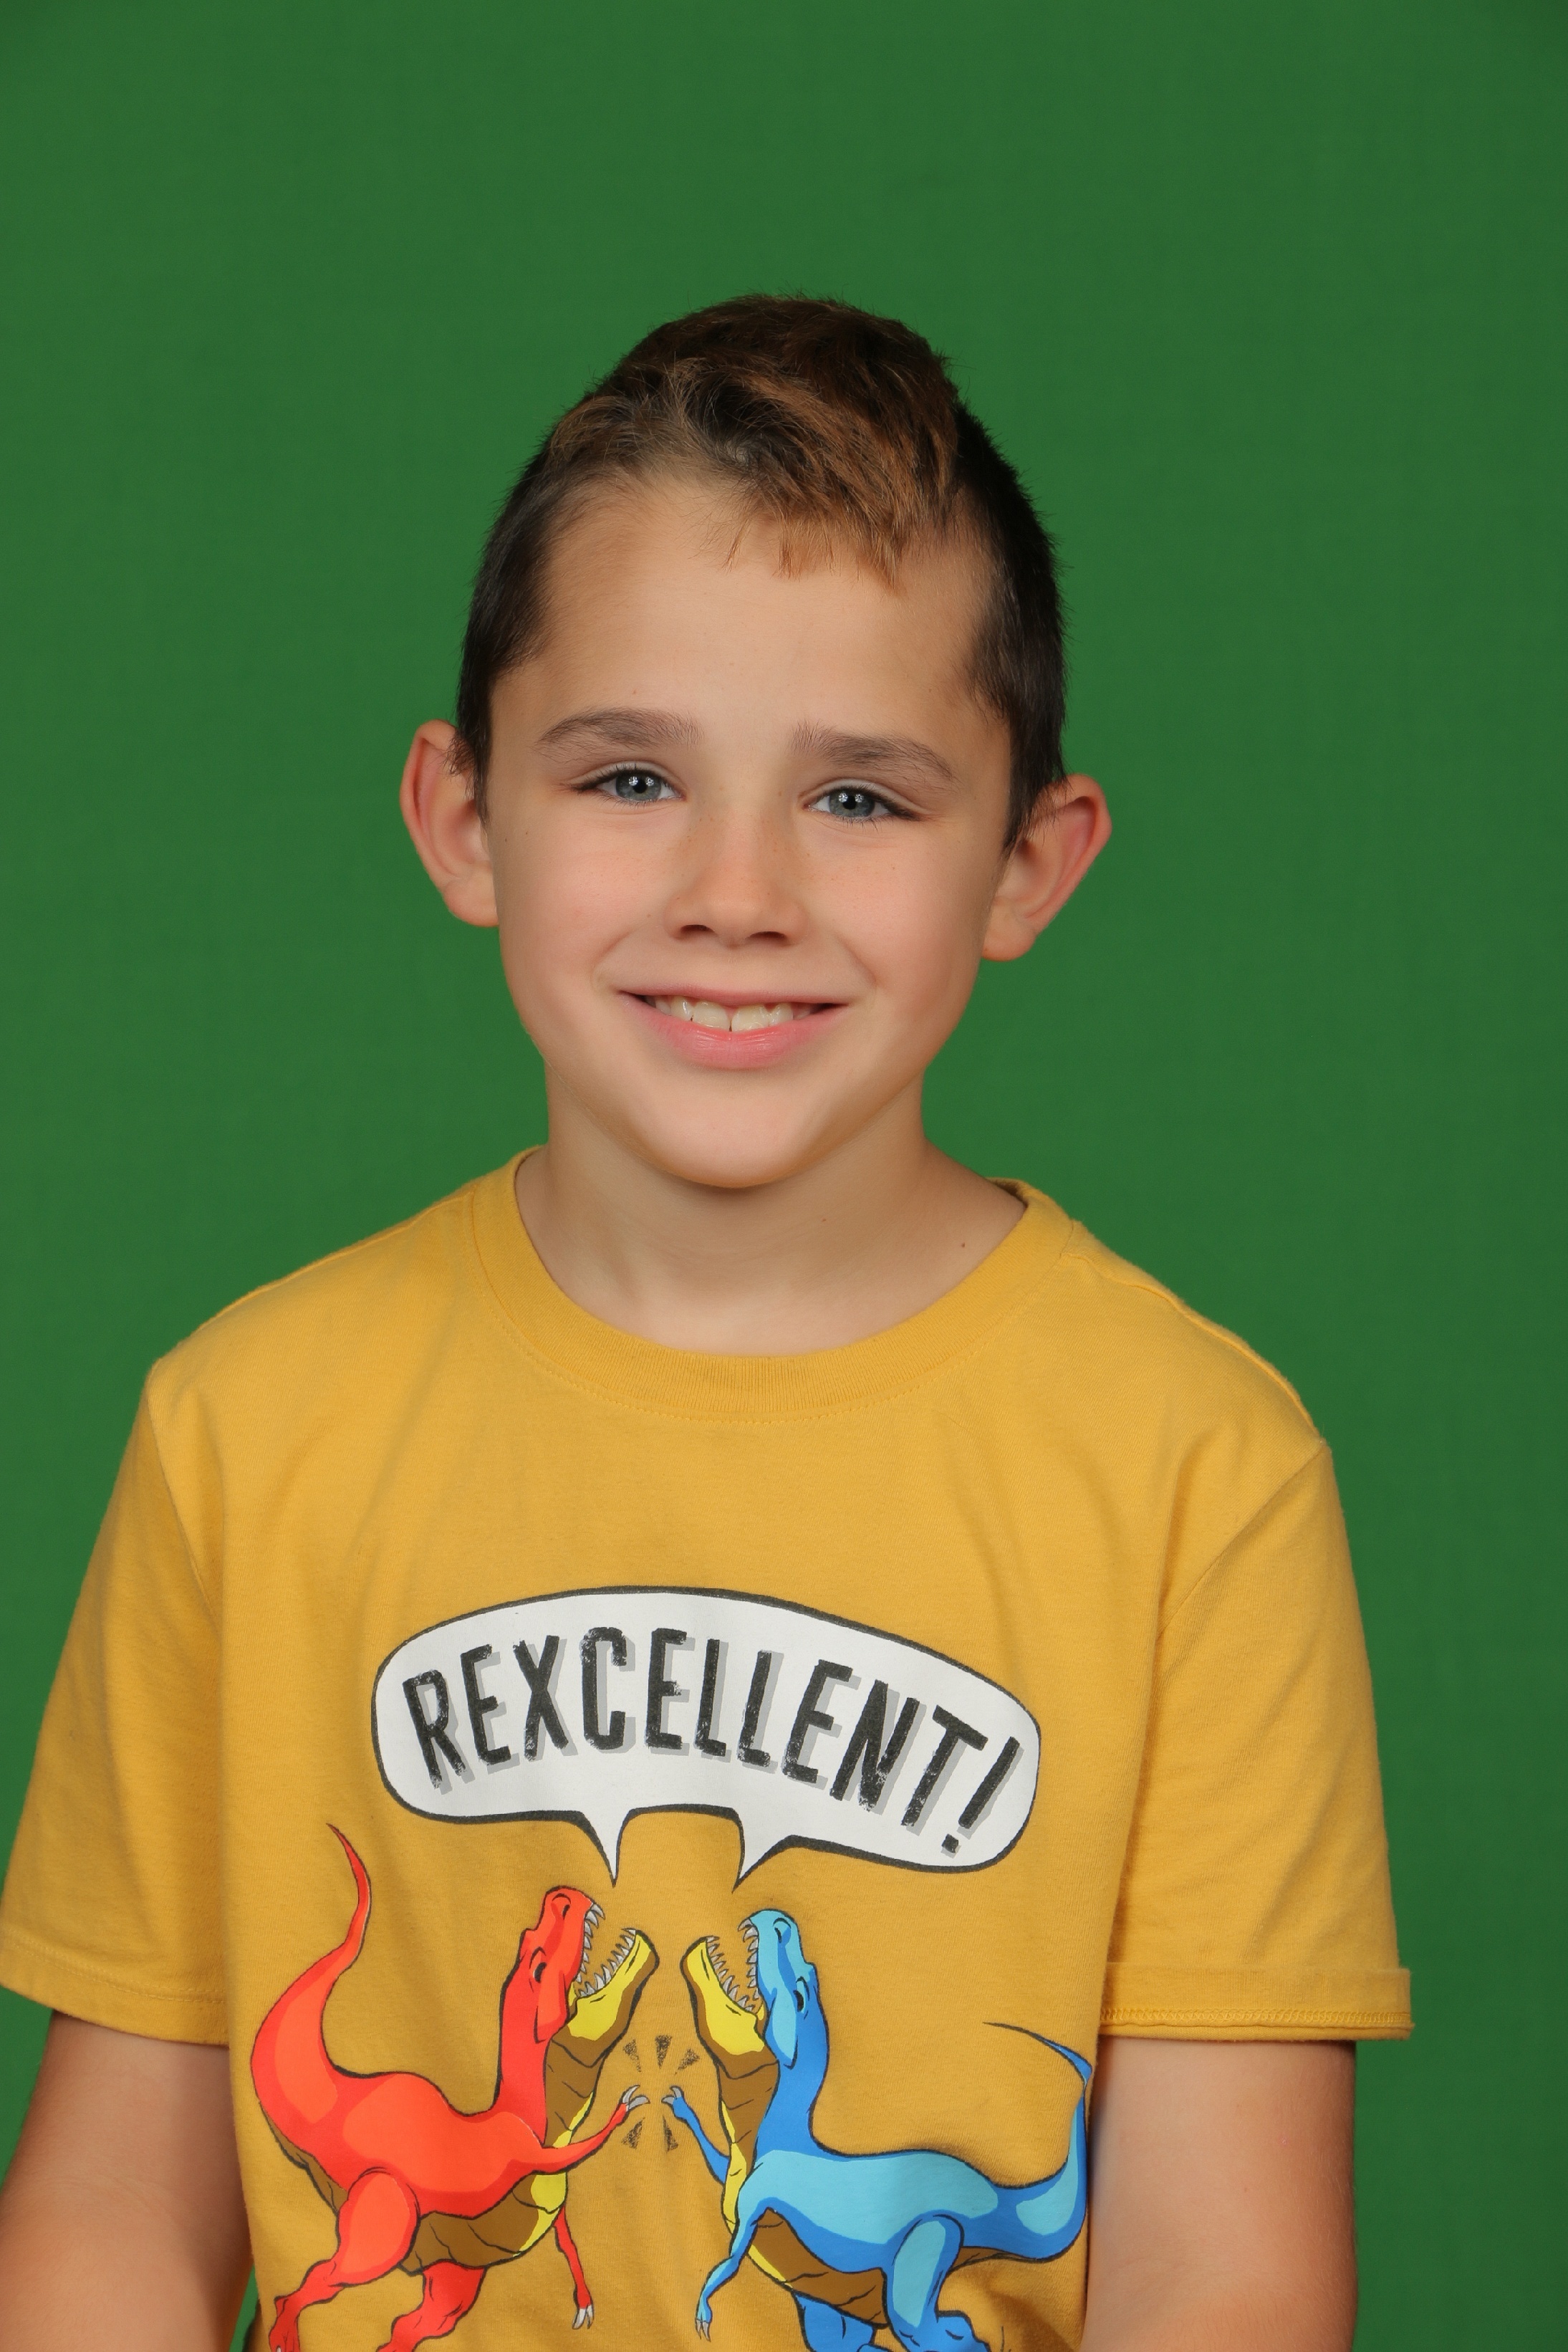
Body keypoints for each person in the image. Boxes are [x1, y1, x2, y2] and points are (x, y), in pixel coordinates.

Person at [0, 296, 1408, 2352]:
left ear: (1028, 864)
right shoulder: (246, 1427)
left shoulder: (1201, 1471)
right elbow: (109, 2215)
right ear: (466, 820)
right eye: (636, 773)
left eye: (863, 800)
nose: (738, 889)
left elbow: (1229, 2275)